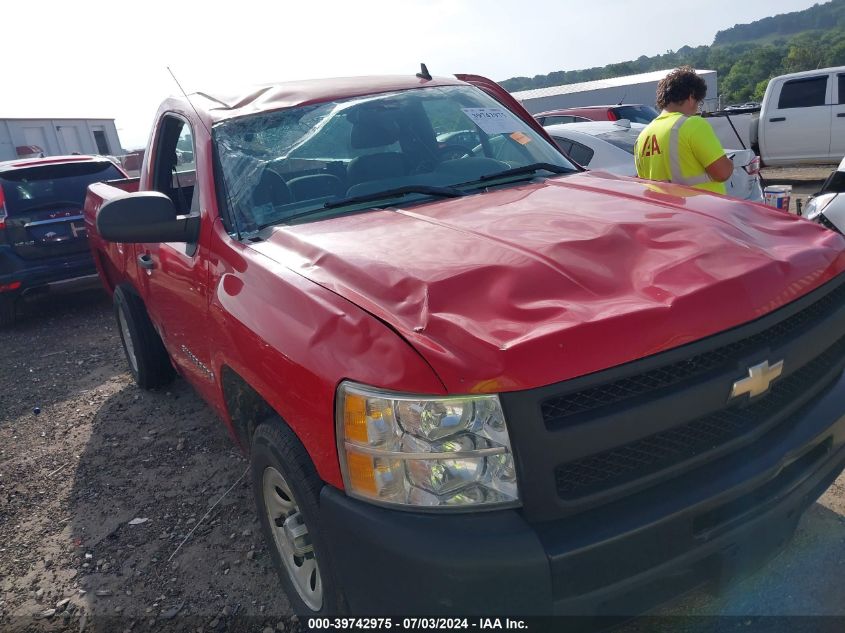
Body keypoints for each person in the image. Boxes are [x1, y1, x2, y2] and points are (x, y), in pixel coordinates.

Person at [634, 66, 733, 195]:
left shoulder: (641, 138)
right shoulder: (692, 124)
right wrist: (730, 163)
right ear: (691, 97)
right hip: (703, 209)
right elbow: (722, 173)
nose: (697, 108)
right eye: (699, 102)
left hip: (667, 212)